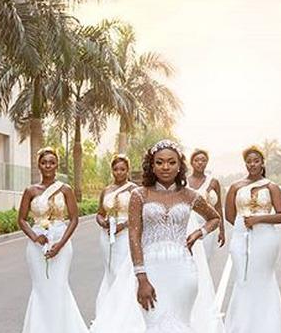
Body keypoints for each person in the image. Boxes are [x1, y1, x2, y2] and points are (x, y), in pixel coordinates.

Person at [90, 140, 222, 333]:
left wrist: (198, 233)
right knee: (154, 324)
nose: (165, 167)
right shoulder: (139, 195)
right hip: (150, 271)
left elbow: (214, 218)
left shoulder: (189, 195)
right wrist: (141, 277)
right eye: (159, 162)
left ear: (180, 166)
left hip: (184, 271)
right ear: (151, 166)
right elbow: (134, 235)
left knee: (181, 324)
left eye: (171, 162)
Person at [19, 148, 88, 332]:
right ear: (38, 165)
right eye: (44, 162)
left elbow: (74, 219)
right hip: (37, 244)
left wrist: (60, 245)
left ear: (57, 164)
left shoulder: (65, 189)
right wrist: (35, 237)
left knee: (58, 286)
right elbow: (22, 219)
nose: (48, 165)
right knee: (41, 288)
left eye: (51, 162)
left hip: (61, 240)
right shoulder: (30, 190)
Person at [224, 146, 281, 333]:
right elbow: (229, 215)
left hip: (265, 238)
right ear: (245, 163)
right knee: (243, 278)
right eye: (249, 161)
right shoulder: (236, 187)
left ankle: (266, 325)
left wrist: (258, 219)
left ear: (262, 163)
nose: (252, 164)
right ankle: (242, 325)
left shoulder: (271, 186)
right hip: (239, 236)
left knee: (262, 278)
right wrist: (242, 225)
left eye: (256, 161)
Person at [95, 154, 138, 315]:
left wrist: (123, 225)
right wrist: (103, 222)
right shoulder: (106, 190)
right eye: (115, 169)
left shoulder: (134, 189)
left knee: (124, 270)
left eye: (122, 169)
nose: (119, 172)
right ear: (112, 170)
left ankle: (126, 309)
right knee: (111, 268)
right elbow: (99, 213)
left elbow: (138, 215)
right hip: (107, 235)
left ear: (127, 170)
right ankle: (110, 307)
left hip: (126, 234)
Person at [187, 149, 226, 259]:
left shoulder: (213, 182)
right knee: (190, 259)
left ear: (207, 162)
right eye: (196, 160)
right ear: (191, 162)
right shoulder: (183, 182)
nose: (200, 162)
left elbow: (218, 207)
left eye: (203, 160)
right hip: (189, 226)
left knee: (206, 258)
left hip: (207, 226)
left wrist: (221, 230)